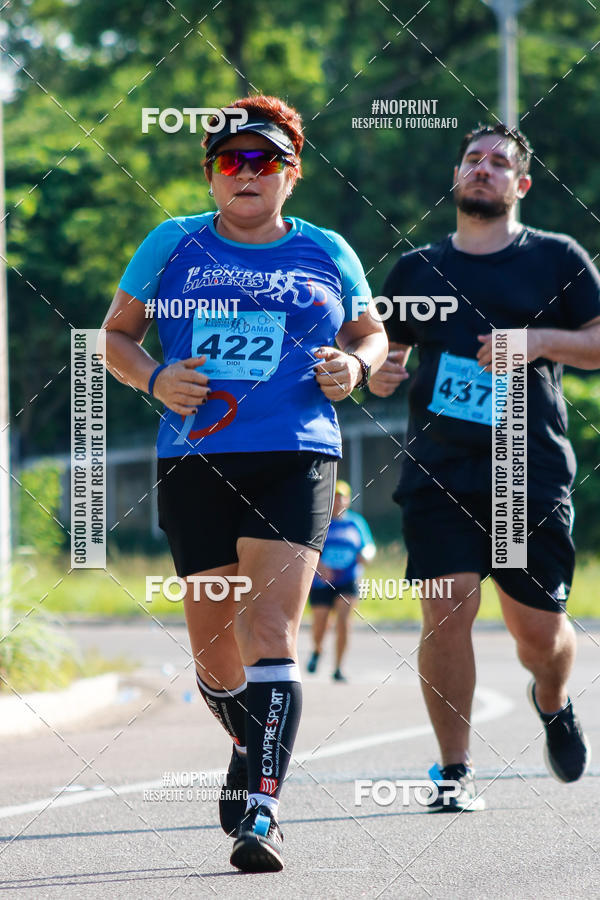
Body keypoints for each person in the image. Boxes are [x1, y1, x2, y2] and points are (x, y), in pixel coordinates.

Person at [102, 94, 387, 871]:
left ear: (291, 174)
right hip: (195, 457)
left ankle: (262, 806)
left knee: (272, 635)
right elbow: (115, 338)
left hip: (296, 452)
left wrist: (354, 364)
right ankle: (242, 739)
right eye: (232, 161)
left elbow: (368, 330)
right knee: (214, 658)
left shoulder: (327, 249)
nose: (247, 173)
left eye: (265, 161)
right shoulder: (171, 243)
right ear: (210, 176)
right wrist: (156, 379)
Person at [369, 123, 600, 811]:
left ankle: (553, 700)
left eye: (499, 163)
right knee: (445, 612)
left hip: (525, 471)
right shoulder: (416, 269)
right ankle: (454, 771)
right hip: (441, 468)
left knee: (537, 634)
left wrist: (537, 341)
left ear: (520, 184)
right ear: (456, 176)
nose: (483, 169)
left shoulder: (556, 260)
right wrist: (381, 371)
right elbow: (385, 346)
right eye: (472, 159)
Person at [307, 479, 376, 682]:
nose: (338, 502)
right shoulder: (321, 521)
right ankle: (317, 650)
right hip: (321, 581)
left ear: (348, 500)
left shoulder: (356, 522)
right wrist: (319, 567)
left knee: (344, 622)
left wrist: (366, 556)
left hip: (348, 579)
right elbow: (308, 548)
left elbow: (369, 546)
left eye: (342, 497)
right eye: (334, 497)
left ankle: (338, 667)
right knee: (320, 623)